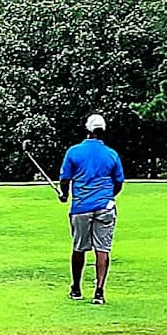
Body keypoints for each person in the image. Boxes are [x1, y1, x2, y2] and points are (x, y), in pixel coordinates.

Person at [57, 113, 125, 305]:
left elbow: (65, 180)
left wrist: (64, 195)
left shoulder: (74, 151)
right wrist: (108, 195)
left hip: (81, 207)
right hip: (105, 206)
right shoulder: (111, 154)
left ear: (87, 129)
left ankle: (76, 288)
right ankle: (99, 292)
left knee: (79, 248)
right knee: (102, 249)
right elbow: (118, 182)